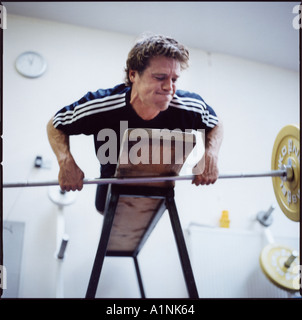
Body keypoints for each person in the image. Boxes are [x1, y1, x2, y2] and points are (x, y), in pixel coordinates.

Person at [47, 34, 223, 213]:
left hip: (159, 192)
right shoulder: (102, 105)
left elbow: (215, 125)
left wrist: (211, 155)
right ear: (133, 74)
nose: (169, 87)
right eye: (160, 77)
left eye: (174, 79)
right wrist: (65, 161)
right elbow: (56, 124)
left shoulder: (189, 105)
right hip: (111, 189)